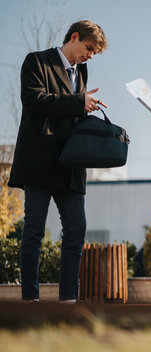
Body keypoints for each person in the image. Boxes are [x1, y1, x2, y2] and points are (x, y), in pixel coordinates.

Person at [8, 20, 108, 303]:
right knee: (34, 232)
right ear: (74, 37)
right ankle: (30, 301)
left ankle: (68, 301)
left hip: (72, 166)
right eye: (88, 49)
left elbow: (73, 110)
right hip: (39, 162)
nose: (90, 56)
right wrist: (78, 102)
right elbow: (34, 101)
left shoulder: (82, 70)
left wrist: (87, 110)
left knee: (76, 230)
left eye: (94, 53)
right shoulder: (37, 61)